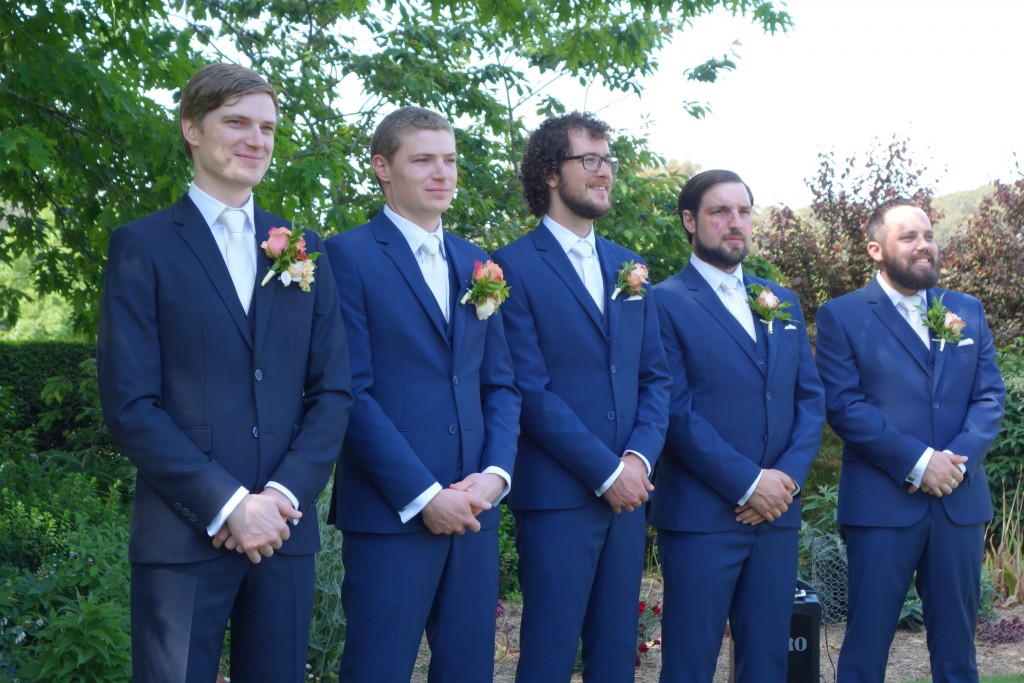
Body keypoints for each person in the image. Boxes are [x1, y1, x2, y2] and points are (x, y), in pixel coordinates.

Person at [97, 63, 353, 682]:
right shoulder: (143, 246)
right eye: (236, 121)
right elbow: (131, 406)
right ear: (191, 128)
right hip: (184, 536)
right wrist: (230, 505)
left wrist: (282, 498)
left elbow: (332, 392)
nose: (256, 139)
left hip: (283, 535)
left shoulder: (303, 249)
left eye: (266, 127)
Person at [324, 106, 520, 683]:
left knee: (468, 672)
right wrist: (423, 494)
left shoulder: (476, 261)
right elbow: (351, 392)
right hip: (392, 513)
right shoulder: (348, 255)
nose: (442, 173)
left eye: (450, 160)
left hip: (474, 510)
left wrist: (495, 474)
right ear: (383, 168)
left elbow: (500, 383)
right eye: (424, 160)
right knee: (377, 670)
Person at [491, 111, 671, 682]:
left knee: (616, 654)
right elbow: (530, 389)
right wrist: (604, 470)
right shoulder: (509, 267)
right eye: (589, 160)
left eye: (607, 161)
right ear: (550, 172)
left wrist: (638, 460)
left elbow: (656, 378)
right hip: (558, 498)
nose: (604, 173)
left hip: (628, 495)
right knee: (547, 655)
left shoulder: (629, 267)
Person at [815, 197, 1005, 683]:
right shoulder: (842, 316)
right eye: (909, 237)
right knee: (866, 646)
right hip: (882, 504)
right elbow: (844, 407)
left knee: (958, 650)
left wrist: (954, 464)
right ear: (877, 249)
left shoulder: (967, 309)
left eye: (928, 235)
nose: (924, 246)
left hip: (958, 501)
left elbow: (989, 399)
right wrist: (921, 462)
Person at [651, 169, 825, 682]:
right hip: (702, 516)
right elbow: (674, 409)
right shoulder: (662, 301)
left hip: (776, 516)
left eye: (743, 211)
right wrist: (749, 483)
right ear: (690, 221)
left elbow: (810, 400)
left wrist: (785, 481)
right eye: (719, 212)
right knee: (689, 662)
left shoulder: (781, 300)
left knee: (769, 661)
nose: (735, 223)